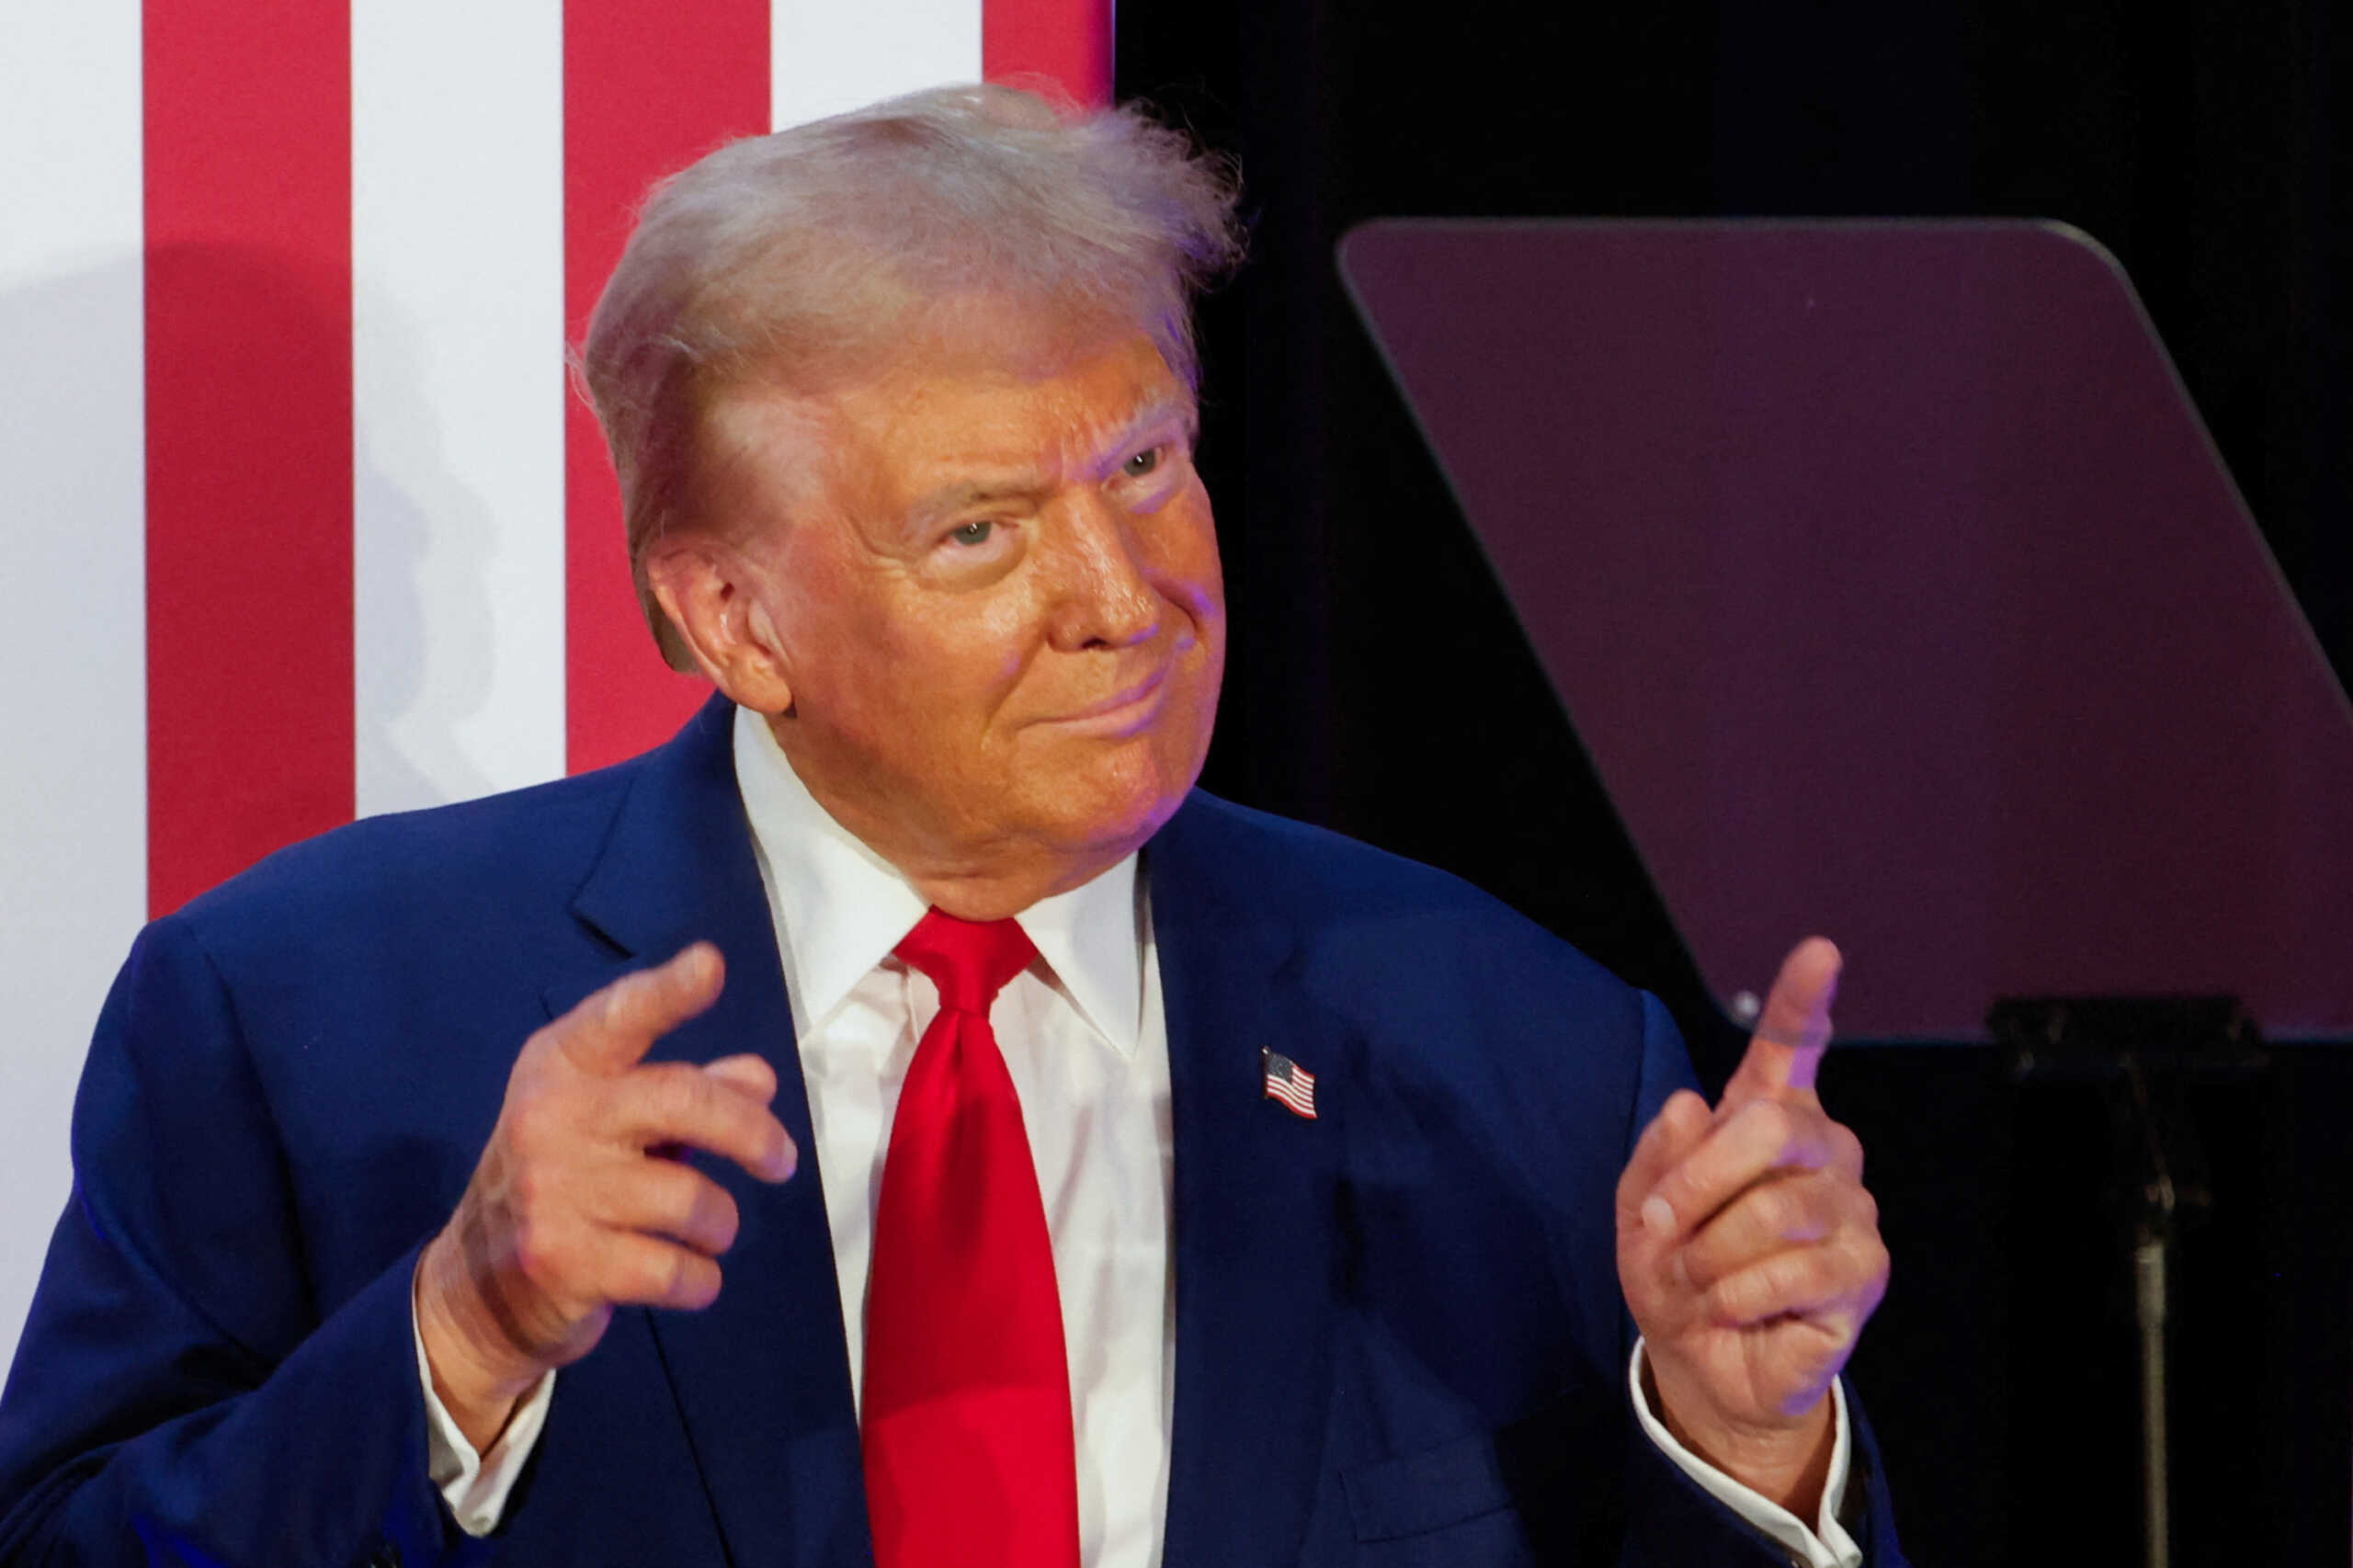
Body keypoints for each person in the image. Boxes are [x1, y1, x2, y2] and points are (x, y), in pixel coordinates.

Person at [0, 85, 1897, 1567]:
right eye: (982, 528)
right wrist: (457, 1336)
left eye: (1144, 466)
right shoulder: (303, 1020)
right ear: (736, 617)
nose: (1120, 592)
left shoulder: (1525, 1053)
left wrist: (1739, 1452)